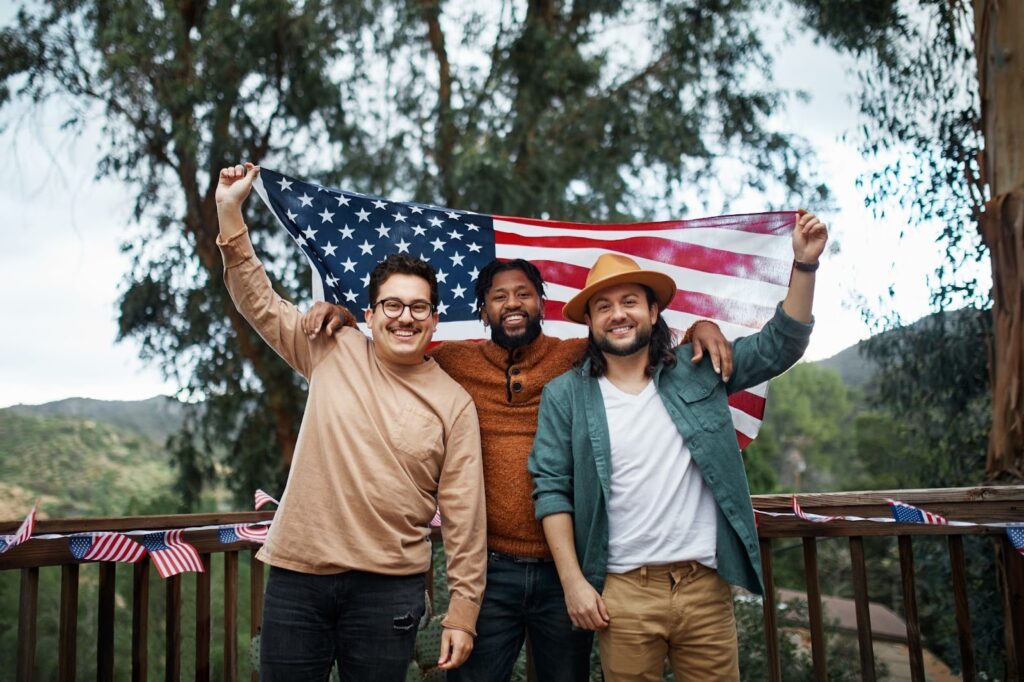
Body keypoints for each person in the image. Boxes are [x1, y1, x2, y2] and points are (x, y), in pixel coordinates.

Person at [303, 258, 732, 681]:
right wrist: (344, 318)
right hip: (490, 572)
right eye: (499, 296)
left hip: (566, 571)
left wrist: (699, 329)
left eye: (524, 294)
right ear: (483, 310)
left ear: (541, 304)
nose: (513, 304)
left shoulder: (576, 358)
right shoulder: (451, 362)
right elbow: (396, 339)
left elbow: (635, 338)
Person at [215, 162, 486, 680]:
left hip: (389, 593)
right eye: (392, 305)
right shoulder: (331, 347)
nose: (405, 317)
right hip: (298, 580)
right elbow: (260, 302)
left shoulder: (454, 404)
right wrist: (231, 212)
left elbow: (465, 519)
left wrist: (464, 613)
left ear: (434, 318)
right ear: (369, 310)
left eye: (418, 308)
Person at [528, 212, 828, 681]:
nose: (618, 313)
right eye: (603, 307)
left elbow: (779, 346)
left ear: (653, 312)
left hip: (704, 586)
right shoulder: (564, 395)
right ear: (589, 322)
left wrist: (804, 266)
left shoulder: (698, 367)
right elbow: (551, 490)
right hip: (623, 593)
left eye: (630, 301)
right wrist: (573, 583)